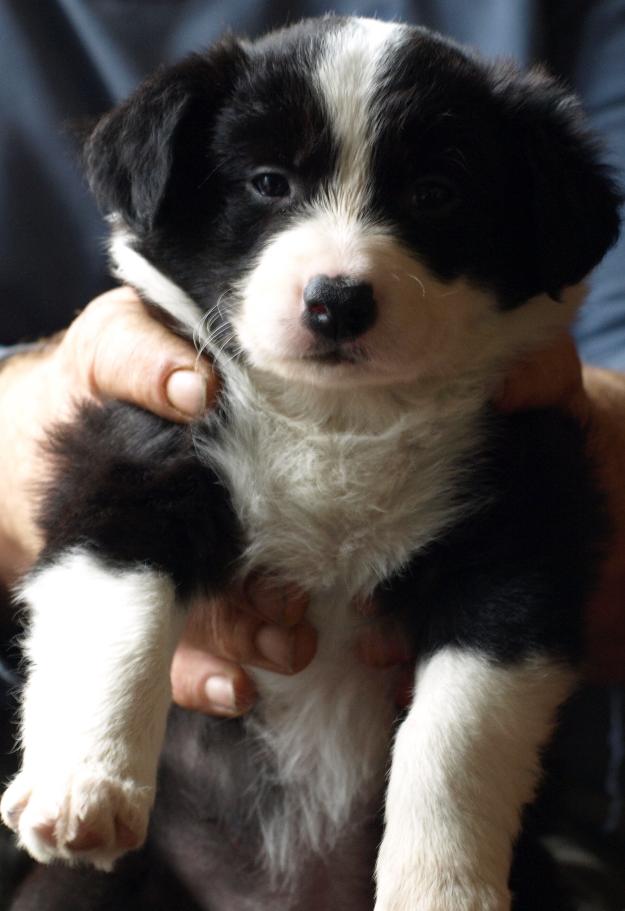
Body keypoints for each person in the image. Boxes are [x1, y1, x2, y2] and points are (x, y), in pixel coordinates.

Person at [1, 0, 624, 906]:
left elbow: (517, 607)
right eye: (269, 183)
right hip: (152, 862)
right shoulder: (167, 383)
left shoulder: (513, 421)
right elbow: (118, 538)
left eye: (432, 195)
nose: (342, 271)